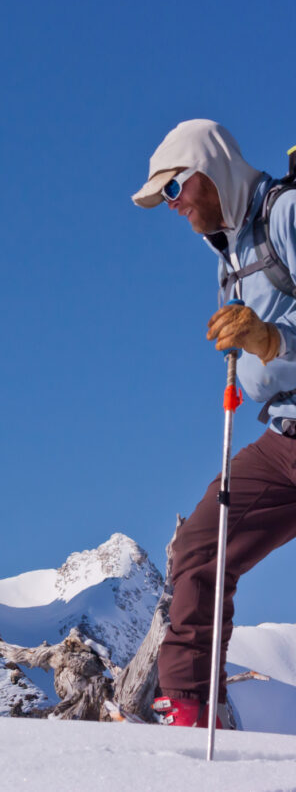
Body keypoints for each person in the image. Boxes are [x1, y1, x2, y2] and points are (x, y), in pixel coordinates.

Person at [132, 119, 296, 727]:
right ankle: (188, 709)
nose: (173, 207)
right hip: (286, 439)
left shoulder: (287, 216)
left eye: (174, 189)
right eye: (163, 199)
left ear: (212, 170)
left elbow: (273, 336)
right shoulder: (229, 256)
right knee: (203, 542)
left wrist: (272, 339)